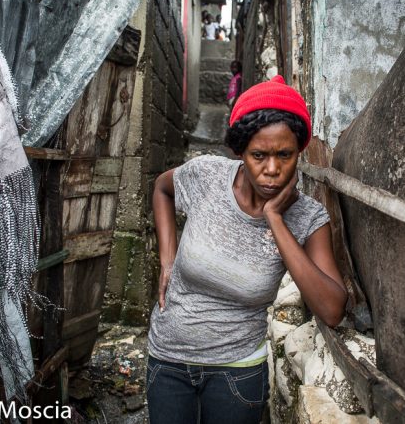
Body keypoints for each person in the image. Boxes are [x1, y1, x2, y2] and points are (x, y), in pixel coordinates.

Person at [146, 75, 348, 424]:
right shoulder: (207, 176)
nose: (272, 170)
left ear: (299, 152)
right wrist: (168, 258)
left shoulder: (308, 219)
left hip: (237, 373)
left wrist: (275, 219)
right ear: (239, 151)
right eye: (259, 155)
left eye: (284, 155)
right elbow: (162, 190)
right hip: (168, 360)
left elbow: (332, 309)